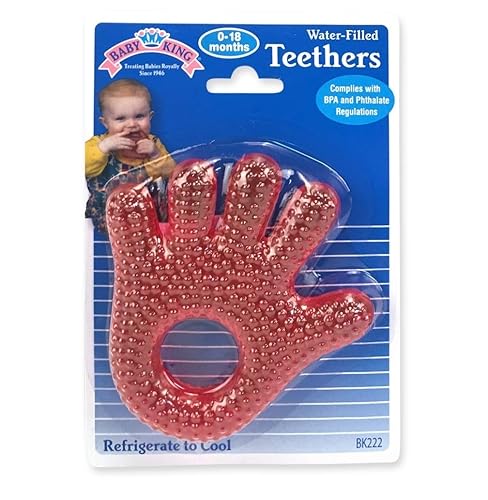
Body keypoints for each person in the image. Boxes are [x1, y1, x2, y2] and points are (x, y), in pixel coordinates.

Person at [85, 79, 175, 232]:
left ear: (150, 116)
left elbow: (169, 174)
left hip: (146, 219)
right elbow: (85, 167)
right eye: (120, 119)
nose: (132, 124)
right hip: (107, 217)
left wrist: (155, 154)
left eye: (139, 116)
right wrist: (104, 148)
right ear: (105, 122)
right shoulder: (98, 143)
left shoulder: (153, 143)